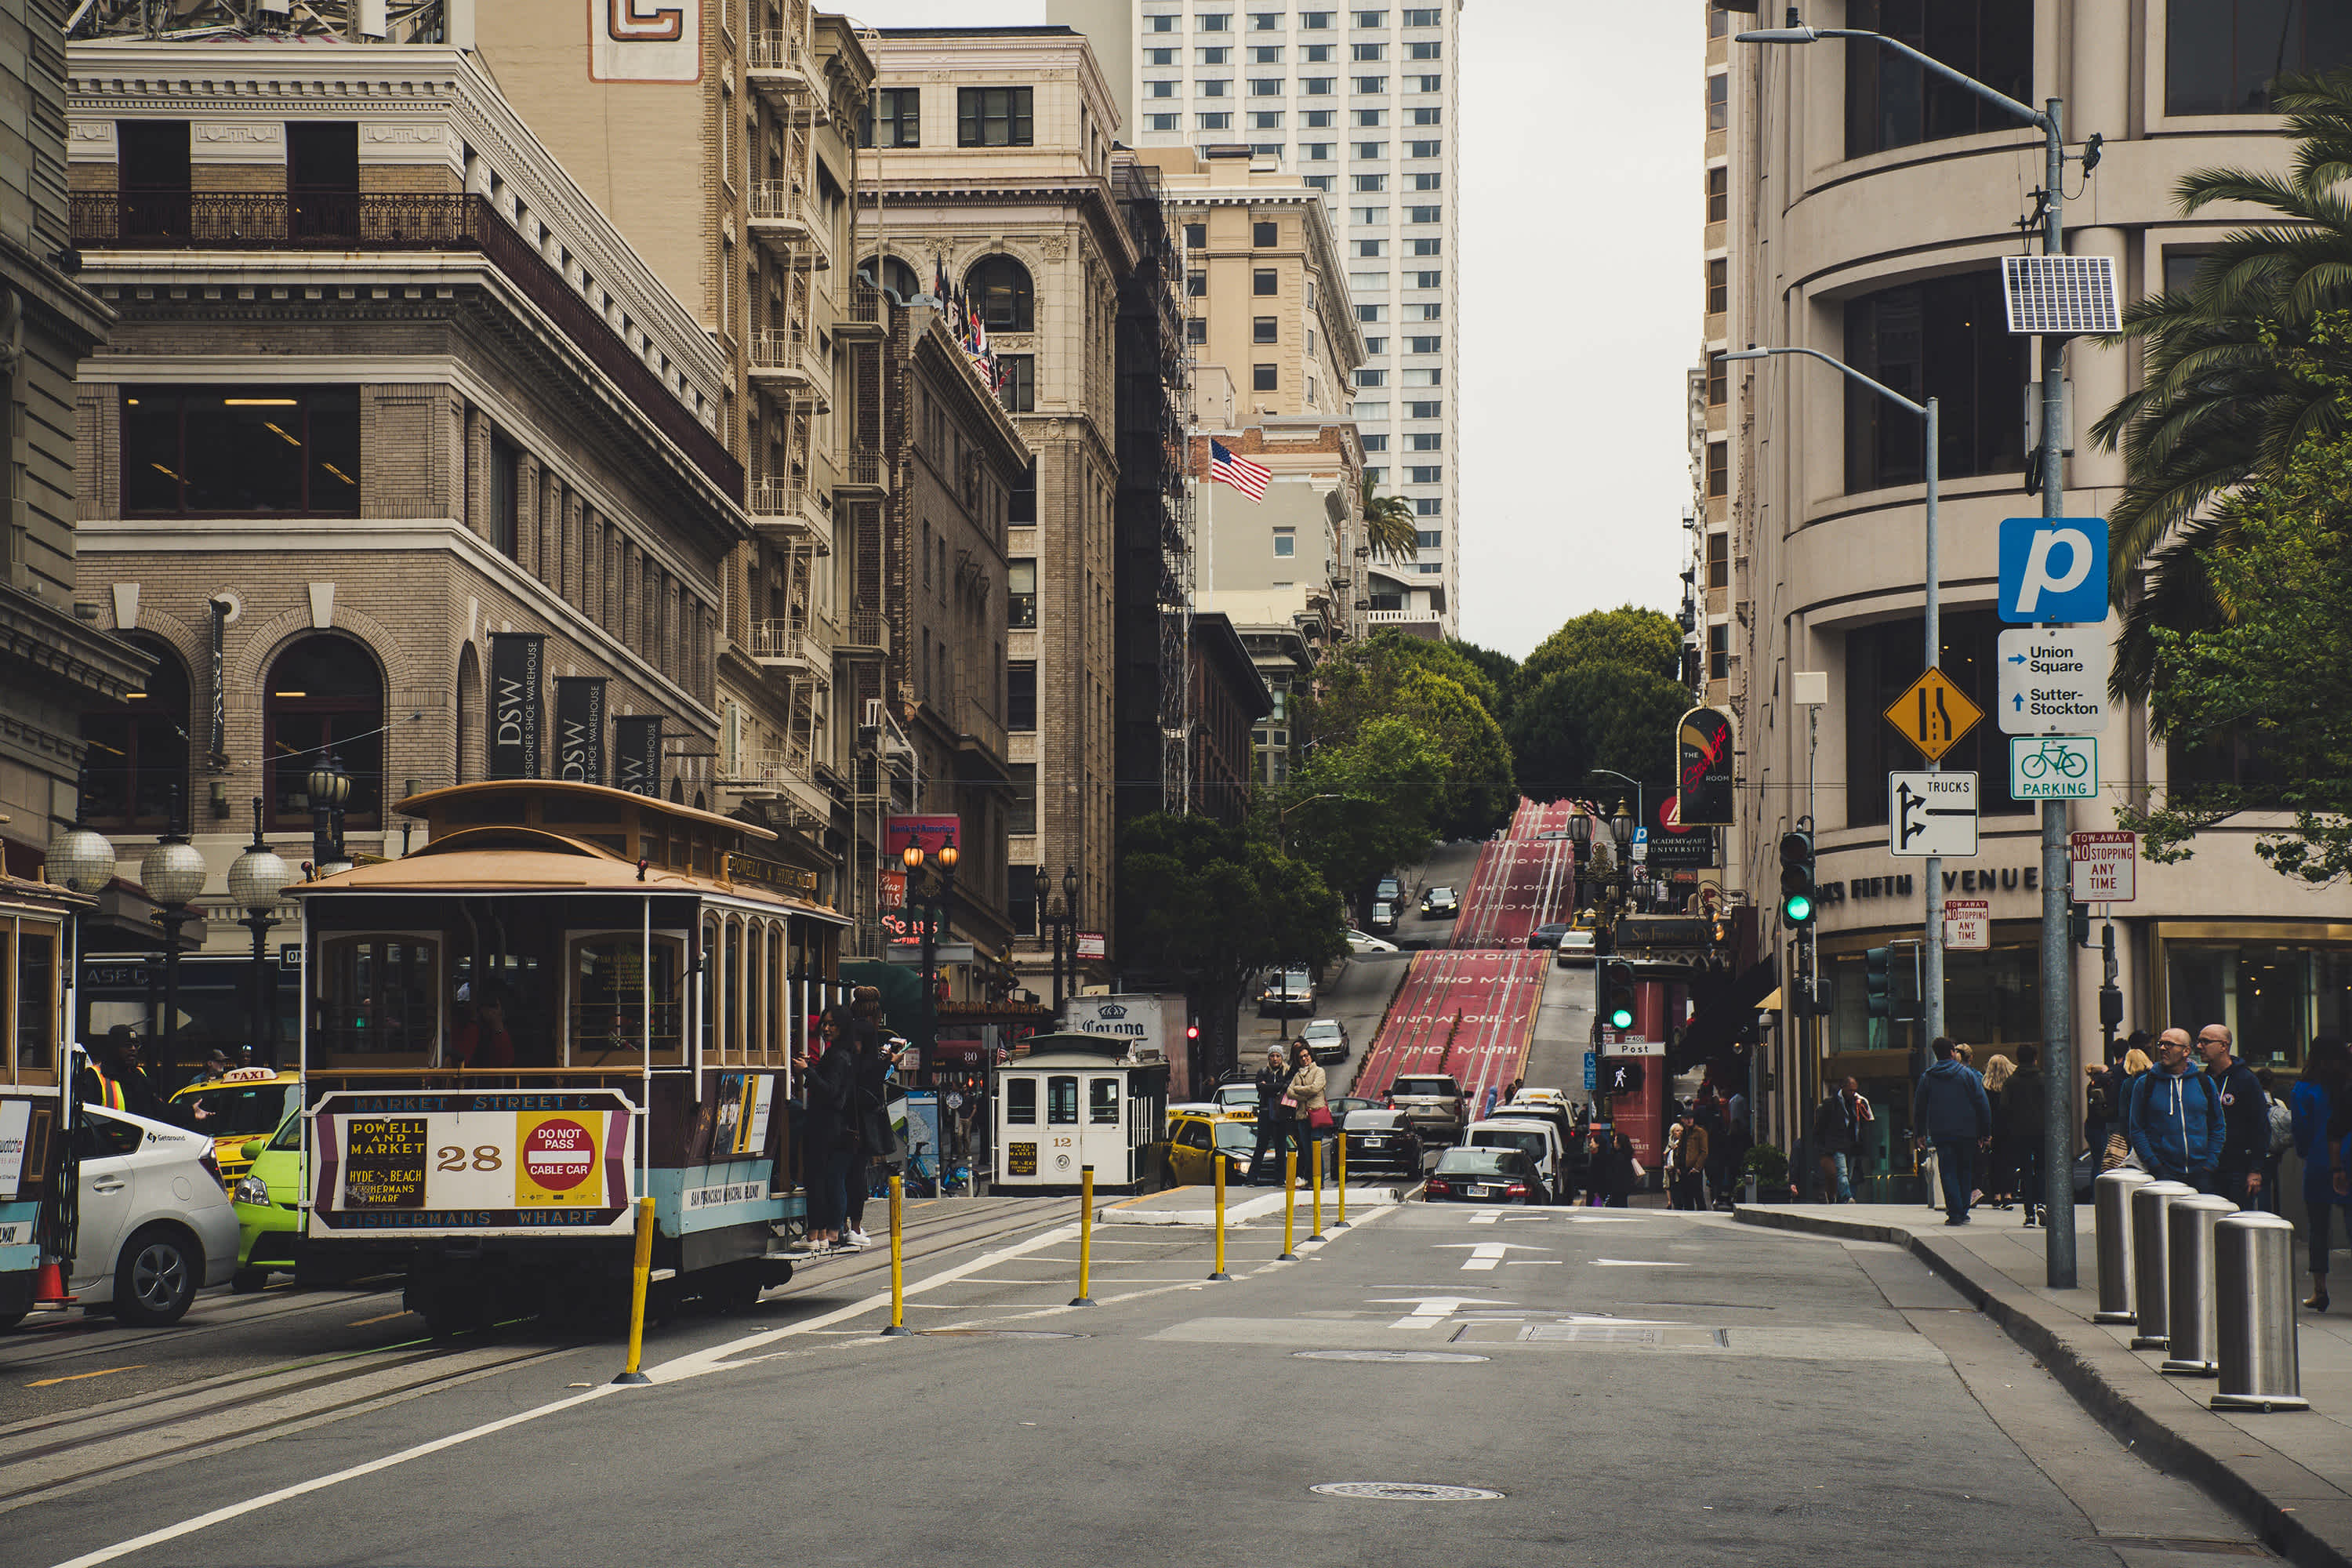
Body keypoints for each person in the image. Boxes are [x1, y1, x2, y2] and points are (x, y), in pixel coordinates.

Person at [792, 1007, 858, 1254]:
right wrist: (812, 1068)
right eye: (824, 1024)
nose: (827, 1028)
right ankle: (821, 1233)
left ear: (842, 1026)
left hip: (824, 1126)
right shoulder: (842, 1054)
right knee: (825, 1180)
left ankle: (815, 1234)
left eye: (832, 1024)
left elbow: (832, 1093)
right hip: (834, 1126)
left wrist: (807, 1071)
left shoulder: (838, 1055)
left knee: (816, 1180)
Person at [2293, 1035, 2350, 1311]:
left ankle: (2320, 1290)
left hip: (2318, 1162)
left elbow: (2301, 1129)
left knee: (2318, 1228)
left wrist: (2305, 1151)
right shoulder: (2346, 1086)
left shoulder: (2304, 1089)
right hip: (2348, 1161)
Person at [2125, 1028, 2223, 1185]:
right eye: (2161, 1044)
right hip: (2163, 1173)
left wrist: (2210, 1163)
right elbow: (2136, 1129)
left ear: (2186, 1051)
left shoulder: (2204, 1082)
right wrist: (2155, 1165)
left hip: (2201, 1173)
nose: (2163, 1048)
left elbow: (2218, 1125)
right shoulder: (2145, 1083)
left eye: (2169, 1044)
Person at [1915, 1037, 1991, 1226]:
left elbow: (1920, 1107)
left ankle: (1954, 1211)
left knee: (1947, 1171)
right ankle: (1963, 1209)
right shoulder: (1967, 1075)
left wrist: (1920, 1133)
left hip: (1941, 1132)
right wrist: (1985, 1131)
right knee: (1965, 1170)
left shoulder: (1928, 1077)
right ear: (1951, 1052)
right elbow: (1982, 1104)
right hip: (1967, 1132)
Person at [2198, 1023, 2269, 1210]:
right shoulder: (2203, 1080)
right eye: (2198, 1042)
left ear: (2223, 1045)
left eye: (2205, 1042)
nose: (2199, 1047)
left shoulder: (2246, 1080)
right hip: (2208, 1165)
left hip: (2238, 1166)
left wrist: (2256, 1169)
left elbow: (2260, 1125)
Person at [2005, 1044, 2048, 1226]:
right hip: (2042, 1130)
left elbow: (2004, 1108)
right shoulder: (2044, 1080)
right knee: (2042, 1169)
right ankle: (2043, 1202)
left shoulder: (2011, 1082)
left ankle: (2029, 1213)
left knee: (2025, 1171)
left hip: (2020, 1131)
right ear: (2035, 1058)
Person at [1812, 1078, 1867, 1203]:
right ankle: (1847, 1196)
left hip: (1852, 1146)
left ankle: (1842, 1197)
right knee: (1843, 1172)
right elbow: (1820, 1127)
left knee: (1849, 1173)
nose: (1853, 1093)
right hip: (1837, 1145)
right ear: (1843, 1088)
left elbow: (1862, 1123)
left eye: (1855, 1090)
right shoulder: (1830, 1104)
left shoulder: (1858, 1104)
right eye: (1850, 1090)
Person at [1286, 1041, 1330, 1185]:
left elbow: (1315, 1089)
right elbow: (1289, 1092)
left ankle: (1319, 1181)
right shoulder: (1298, 1075)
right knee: (1306, 1151)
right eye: (1301, 1057)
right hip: (1302, 1116)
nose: (1305, 1059)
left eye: (1306, 1056)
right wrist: (1305, 1095)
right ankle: (1311, 1179)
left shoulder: (1319, 1071)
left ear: (1311, 1056)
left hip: (1316, 1115)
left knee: (1315, 1149)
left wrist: (1299, 1090)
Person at [1981, 1054, 2016, 1209]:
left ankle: (1996, 1196)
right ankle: (2008, 1195)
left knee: (1994, 1162)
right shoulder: (2012, 1085)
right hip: (2010, 1128)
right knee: (2009, 1161)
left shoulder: (1985, 1087)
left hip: (1993, 1129)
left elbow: (1983, 1110)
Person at [1248, 1048, 1287, 1185]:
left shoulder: (1286, 1073)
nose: (1275, 1059)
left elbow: (1286, 1087)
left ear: (1282, 1058)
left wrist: (1269, 1087)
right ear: (1268, 1058)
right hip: (1265, 1112)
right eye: (1272, 1056)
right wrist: (1277, 1087)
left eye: (1278, 1056)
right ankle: (1252, 1178)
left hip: (1281, 1113)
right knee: (1261, 1146)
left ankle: (1280, 1179)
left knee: (1281, 1147)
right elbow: (1260, 1087)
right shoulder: (1262, 1072)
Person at [2255, 1067, 2290, 1215]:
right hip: (2275, 1151)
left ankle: (2261, 1215)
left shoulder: (2253, 1101)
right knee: (2272, 1187)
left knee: (2260, 1188)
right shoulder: (2279, 1103)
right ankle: (2272, 1214)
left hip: (2257, 1151)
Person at [451, 995, 514, 1069]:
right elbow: (464, 1058)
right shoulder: (472, 1028)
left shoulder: (503, 1030)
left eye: (494, 1007)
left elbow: (507, 1061)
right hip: (475, 1075)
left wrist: (498, 1023)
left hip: (495, 1075)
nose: (492, 1012)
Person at [1671, 1112, 1709, 1211]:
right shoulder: (1684, 1133)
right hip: (1684, 1168)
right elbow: (1679, 1151)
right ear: (1683, 1120)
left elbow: (1704, 1152)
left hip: (1694, 1169)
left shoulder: (1700, 1132)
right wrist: (1677, 1167)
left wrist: (1697, 1168)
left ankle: (1703, 1215)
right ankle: (1689, 1214)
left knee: (1698, 1195)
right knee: (1687, 1196)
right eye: (1686, 1118)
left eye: (1691, 1118)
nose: (1689, 1120)